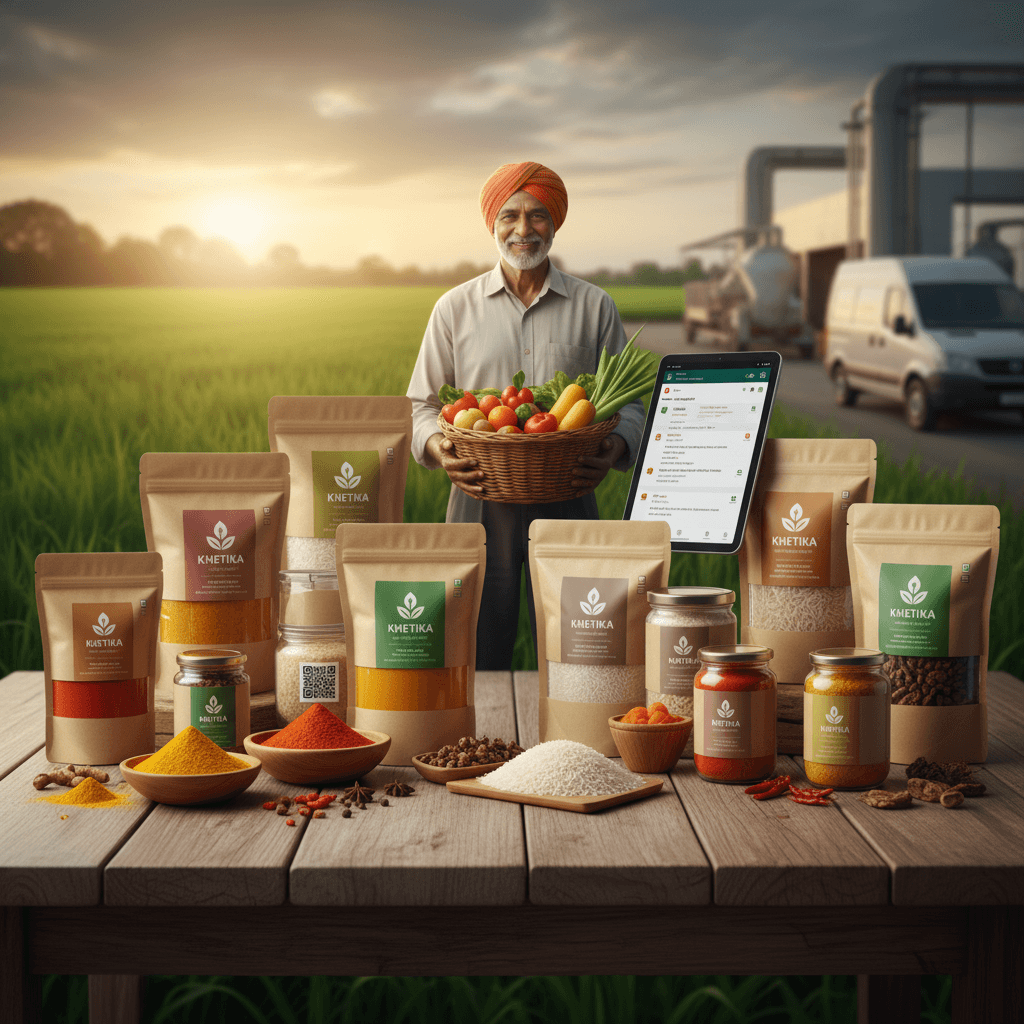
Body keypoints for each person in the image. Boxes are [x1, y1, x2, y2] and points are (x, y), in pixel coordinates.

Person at [406, 160, 644, 669]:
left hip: (570, 496)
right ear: (492, 224)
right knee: (476, 651)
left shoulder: (594, 306)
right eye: (510, 215)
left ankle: (573, 741)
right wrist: (438, 449)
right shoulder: (454, 308)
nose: (523, 229)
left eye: (537, 215)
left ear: (555, 223)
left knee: (578, 652)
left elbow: (631, 406)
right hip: (478, 499)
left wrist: (616, 449)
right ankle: (479, 745)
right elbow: (422, 407)